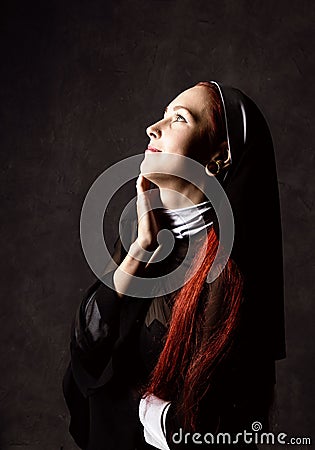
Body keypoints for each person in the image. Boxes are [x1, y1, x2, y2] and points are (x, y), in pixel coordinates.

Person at [63, 81, 286, 450]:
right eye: (163, 116)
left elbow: (223, 422)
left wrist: (158, 421)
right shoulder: (148, 234)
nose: (153, 128)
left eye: (179, 118)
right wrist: (139, 250)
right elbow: (86, 350)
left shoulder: (231, 274)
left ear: (220, 156)